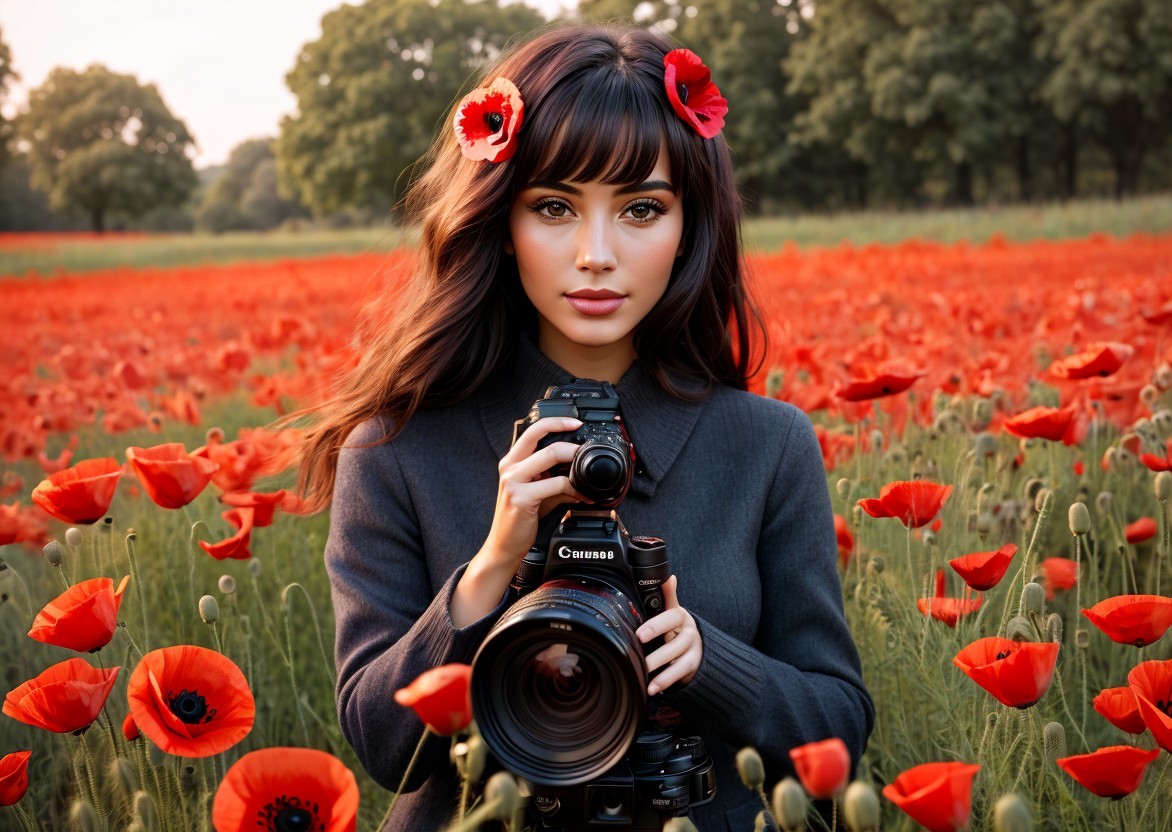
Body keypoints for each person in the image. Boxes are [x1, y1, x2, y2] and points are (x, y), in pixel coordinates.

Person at [296, 20, 873, 832]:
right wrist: (491, 568)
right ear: (502, 223)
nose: (596, 253)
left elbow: (839, 725)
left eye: (641, 208)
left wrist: (708, 661)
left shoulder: (766, 446)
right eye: (555, 207)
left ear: (688, 226)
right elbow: (385, 749)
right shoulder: (398, 452)